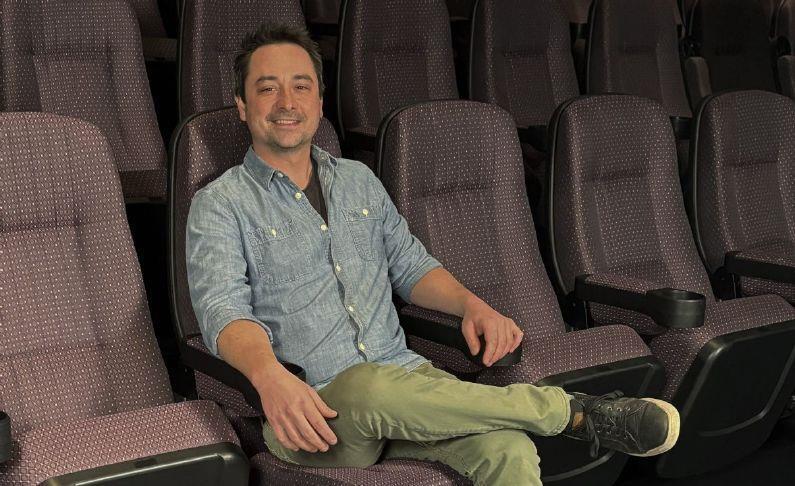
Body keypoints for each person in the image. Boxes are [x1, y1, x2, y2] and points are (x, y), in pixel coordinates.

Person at [186, 23, 680, 486]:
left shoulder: (357, 180)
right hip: (314, 411)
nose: (286, 101)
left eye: (300, 85)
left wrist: (472, 306)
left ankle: (554, 415)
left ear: (319, 100)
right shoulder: (220, 203)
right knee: (368, 388)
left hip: (406, 385)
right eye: (268, 87)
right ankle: (569, 411)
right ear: (242, 105)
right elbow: (221, 311)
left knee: (505, 448)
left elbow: (410, 265)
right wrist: (268, 377)